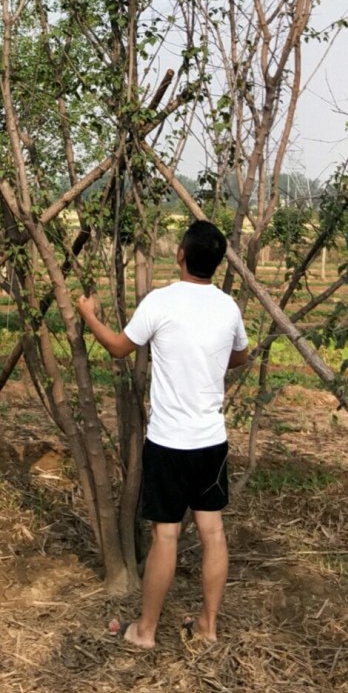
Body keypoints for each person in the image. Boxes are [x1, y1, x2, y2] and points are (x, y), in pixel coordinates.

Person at [76, 218, 249, 649]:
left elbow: (119, 347)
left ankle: (146, 631)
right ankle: (207, 627)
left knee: (165, 535)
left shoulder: (161, 301)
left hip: (169, 443)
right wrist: (208, 362)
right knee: (213, 533)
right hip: (211, 441)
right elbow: (240, 356)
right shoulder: (227, 307)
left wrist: (88, 316)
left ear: (180, 256)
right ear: (217, 262)